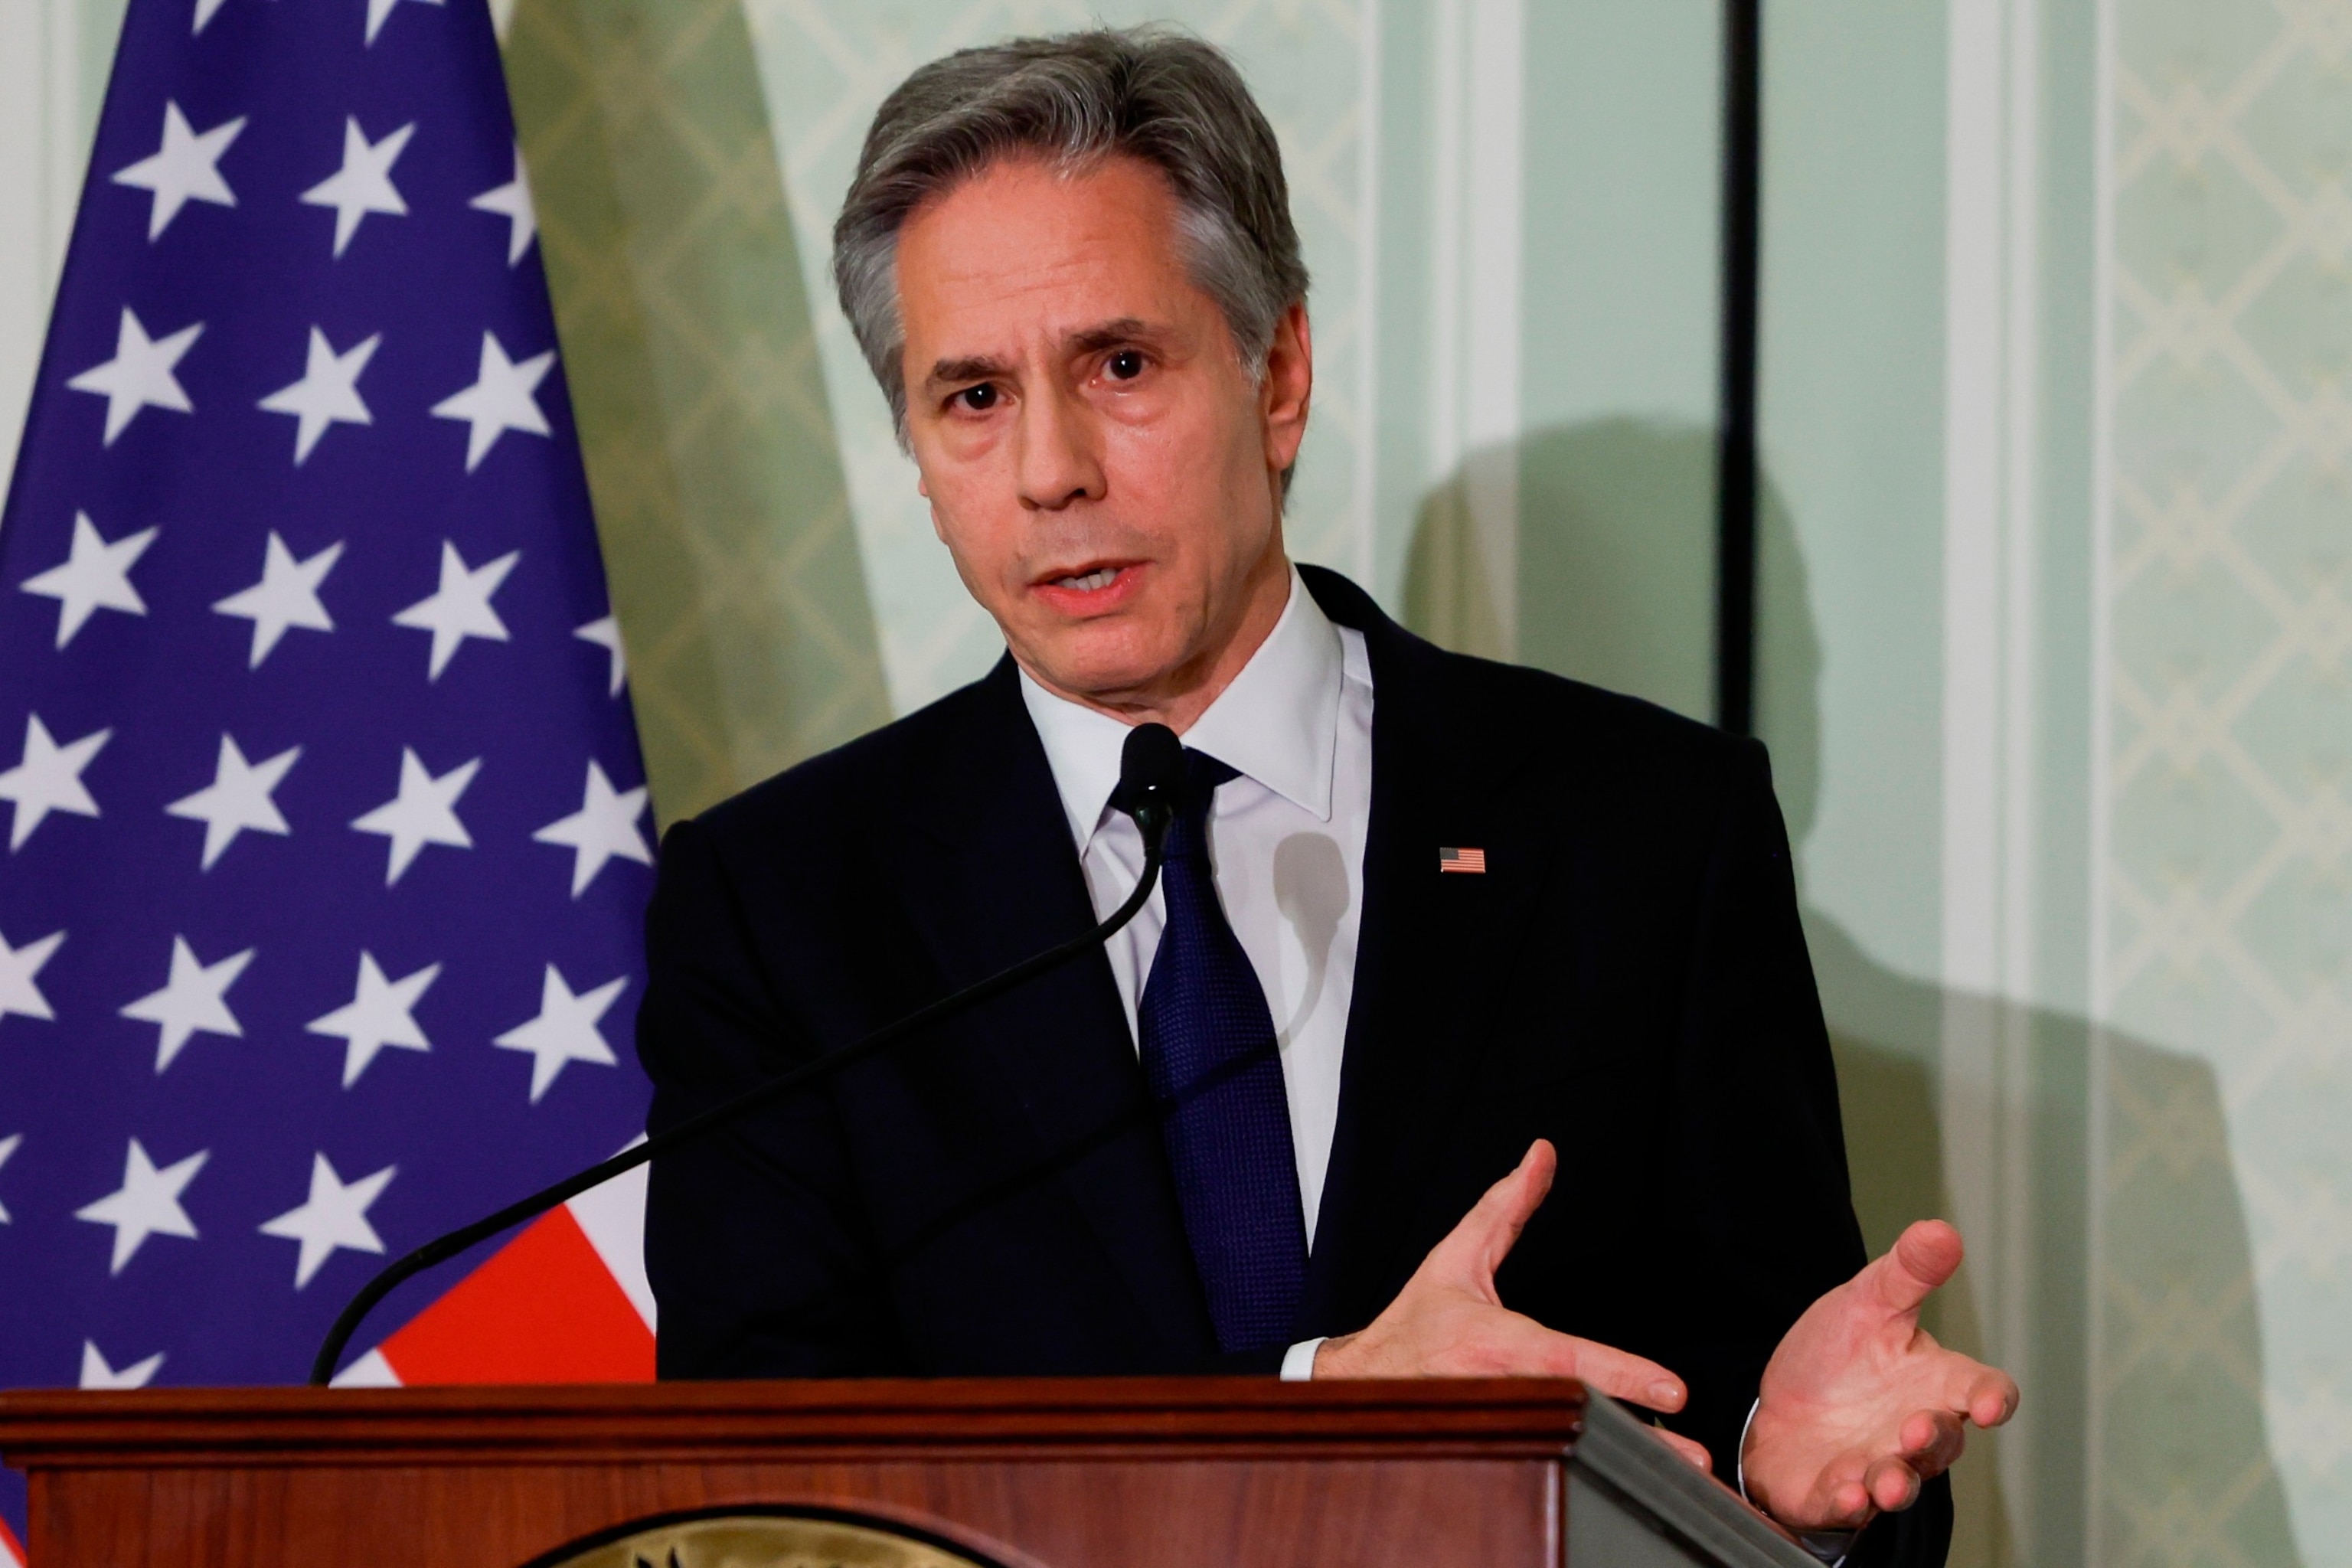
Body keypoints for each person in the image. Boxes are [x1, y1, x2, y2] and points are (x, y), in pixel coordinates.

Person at [636, 28, 2016, 1566]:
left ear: (1276, 373)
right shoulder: (782, 908)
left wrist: (1777, 1484)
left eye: (1120, 364)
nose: (1051, 469)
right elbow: (756, 1510)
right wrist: (1317, 1401)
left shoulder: (1641, 832)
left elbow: (1797, 1413)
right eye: (971, 395)